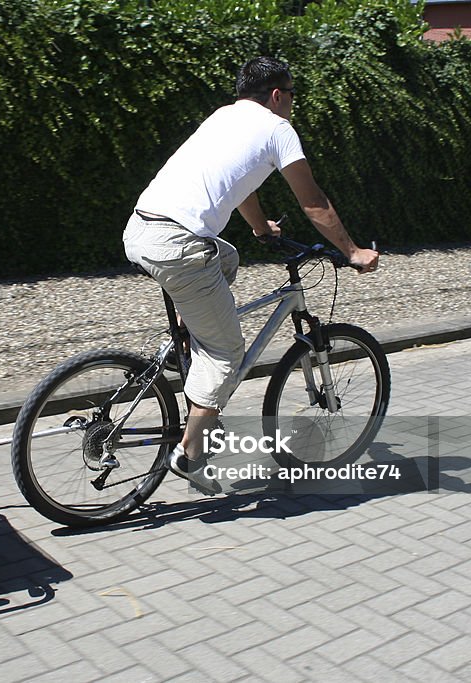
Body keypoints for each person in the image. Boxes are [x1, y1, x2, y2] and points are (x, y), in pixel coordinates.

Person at [123, 56, 379, 494]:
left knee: (225, 257)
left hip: (142, 228)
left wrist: (261, 228)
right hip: (178, 247)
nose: (294, 103)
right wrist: (352, 252)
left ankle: (182, 348)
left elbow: (244, 182)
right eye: (293, 94)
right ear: (277, 95)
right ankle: (189, 454)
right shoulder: (279, 129)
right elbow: (313, 201)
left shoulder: (225, 116)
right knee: (227, 353)